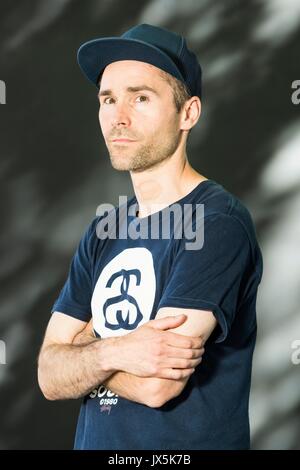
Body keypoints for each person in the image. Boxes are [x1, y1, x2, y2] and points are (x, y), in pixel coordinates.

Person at [37, 23, 263, 450]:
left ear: (188, 113)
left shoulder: (217, 223)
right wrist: (117, 351)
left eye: (140, 97)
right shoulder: (104, 230)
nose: (118, 117)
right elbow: (48, 374)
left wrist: (85, 345)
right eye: (108, 99)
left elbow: (158, 384)